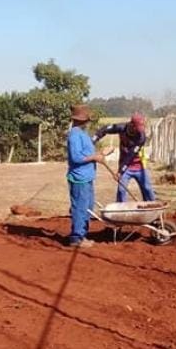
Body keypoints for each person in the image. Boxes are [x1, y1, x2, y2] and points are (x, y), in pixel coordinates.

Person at [66, 104, 113, 248]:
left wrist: (101, 153)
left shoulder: (82, 134)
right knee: (80, 207)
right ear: (82, 120)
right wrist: (95, 157)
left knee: (87, 206)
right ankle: (76, 238)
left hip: (87, 176)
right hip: (79, 178)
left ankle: (82, 234)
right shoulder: (74, 135)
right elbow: (76, 157)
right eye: (87, 119)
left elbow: (86, 151)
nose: (88, 122)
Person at [93, 112, 156, 202]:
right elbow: (104, 129)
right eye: (137, 128)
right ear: (132, 125)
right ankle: (121, 211)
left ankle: (153, 209)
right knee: (122, 191)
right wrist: (93, 140)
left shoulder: (142, 137)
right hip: (125, 167)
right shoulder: (121, 128)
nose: (139, 131)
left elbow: (131, 155)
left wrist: (120, 171)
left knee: (147, 188)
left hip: (139, 166)